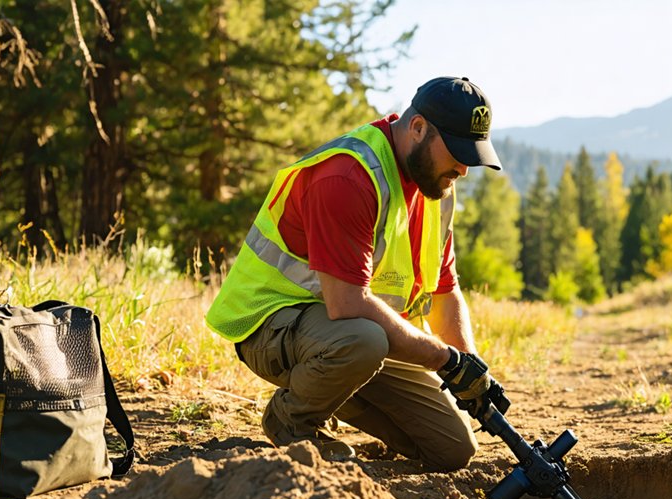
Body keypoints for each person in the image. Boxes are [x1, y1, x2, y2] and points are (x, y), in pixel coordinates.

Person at [206, 76, 502, 471]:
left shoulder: (437, 187)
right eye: (458, 153)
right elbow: (348, 305)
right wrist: (445, 360)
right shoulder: (348, 176)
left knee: (452, 449)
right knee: (361, 341)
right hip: (273, 323)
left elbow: (446, 292)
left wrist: (471, 369)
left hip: (350, 334)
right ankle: (291, 420)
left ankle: (331, 387)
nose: (464, 170)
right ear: (417, 129)